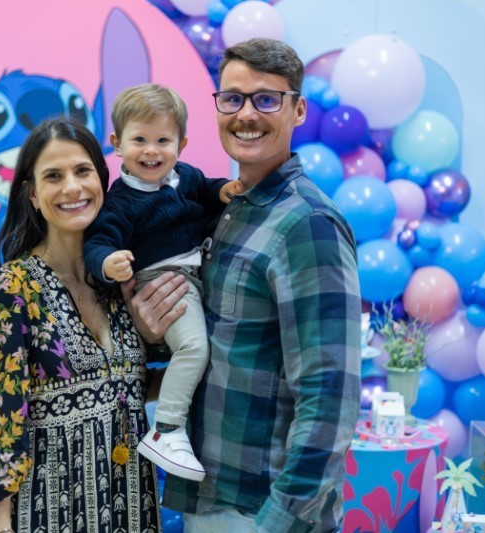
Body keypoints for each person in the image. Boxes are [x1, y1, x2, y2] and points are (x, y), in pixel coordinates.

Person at [163, 38, 362, 533]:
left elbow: (330, 395)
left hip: (261, 511)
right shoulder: (233, 210)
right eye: (233, 98)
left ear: (298, 111)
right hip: (213, 497)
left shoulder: (307, 223)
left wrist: (281, 521)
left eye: (267, 99)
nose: (246, 114)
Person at [0, 116, 189, 533]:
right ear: (31, 193)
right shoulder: (8, 289)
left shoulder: (121, 280)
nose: (72, 188)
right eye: (53, 176)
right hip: (43, 509)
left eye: (83, 171)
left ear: (102, 180)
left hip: (129, 503)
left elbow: (131, 386)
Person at [84, 83, 242, 483]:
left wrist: (223, 190)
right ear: (117, 144)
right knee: (193, 346)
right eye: (139, 140)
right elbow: (98, 243)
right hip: (162, 280)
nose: (151, 151)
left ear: (181, 145)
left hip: (194, 274)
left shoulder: (184, 176)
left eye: (162, 141)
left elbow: (206, 189)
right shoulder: (121, 201)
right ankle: (167, 429)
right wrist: (109, 263)